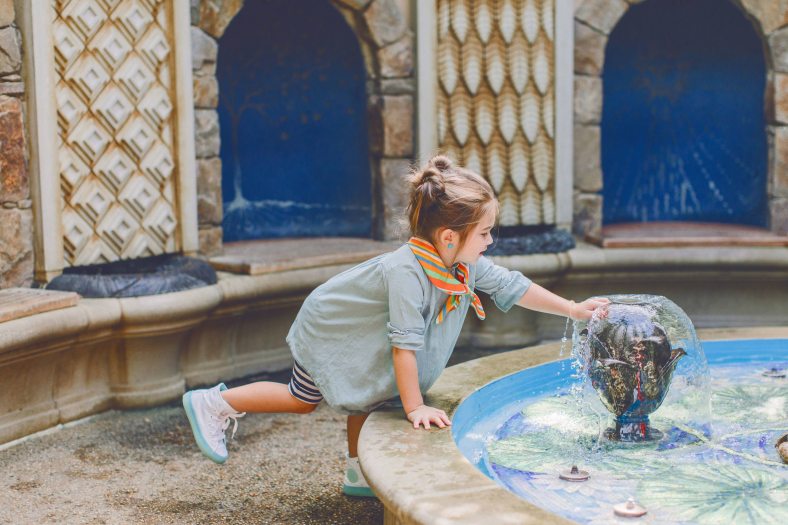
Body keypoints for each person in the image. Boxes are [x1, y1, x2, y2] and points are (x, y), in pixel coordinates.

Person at [182, 155, 610, 497]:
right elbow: (404, 348)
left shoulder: (461, 266)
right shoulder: (407, 272)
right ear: (448, 238)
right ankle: (214, 404)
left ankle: (357, 472)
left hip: (360, 332)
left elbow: (514, 287)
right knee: (301, 400)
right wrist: (414, 408)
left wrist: (574, 310)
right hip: (335, 329)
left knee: (371, 391)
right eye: (484, 233)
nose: (490, 241)